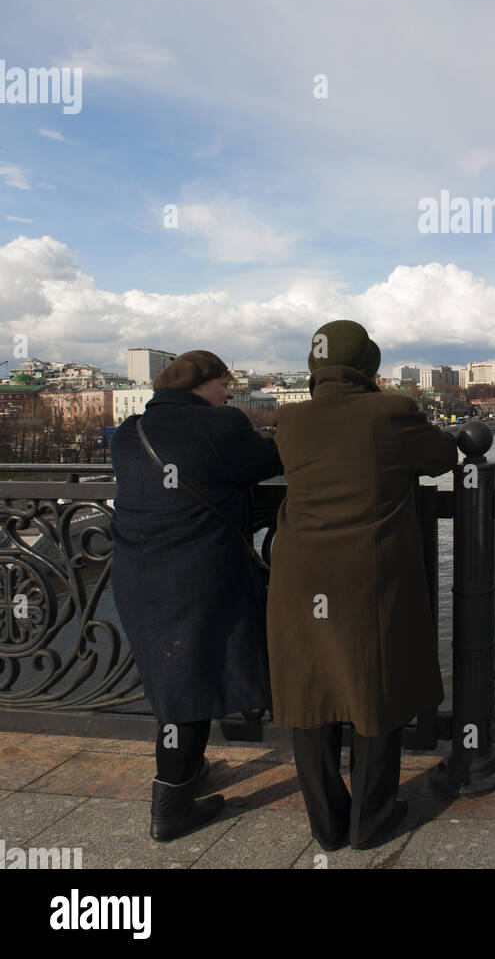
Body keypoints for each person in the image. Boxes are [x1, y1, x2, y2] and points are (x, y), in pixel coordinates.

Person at [267, 320, 458, 851]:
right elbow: (442, 458)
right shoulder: (389, 412)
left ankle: (326, 825)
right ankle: (371, 821)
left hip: (297, 573)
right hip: (366, 575)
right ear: (369, 366)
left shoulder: (289, 419)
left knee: (310, 692)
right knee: (373, 685)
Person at [110, 350, 283, 841]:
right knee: (190, 684)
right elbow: (272, 459)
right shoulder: (221, 425)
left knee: (172, 679)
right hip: (197, 576)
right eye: (223, 383)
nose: (230, 392)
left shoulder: (130, 431)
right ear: (200, 385)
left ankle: (188, 770)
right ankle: (171, 805)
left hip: (137, 576)